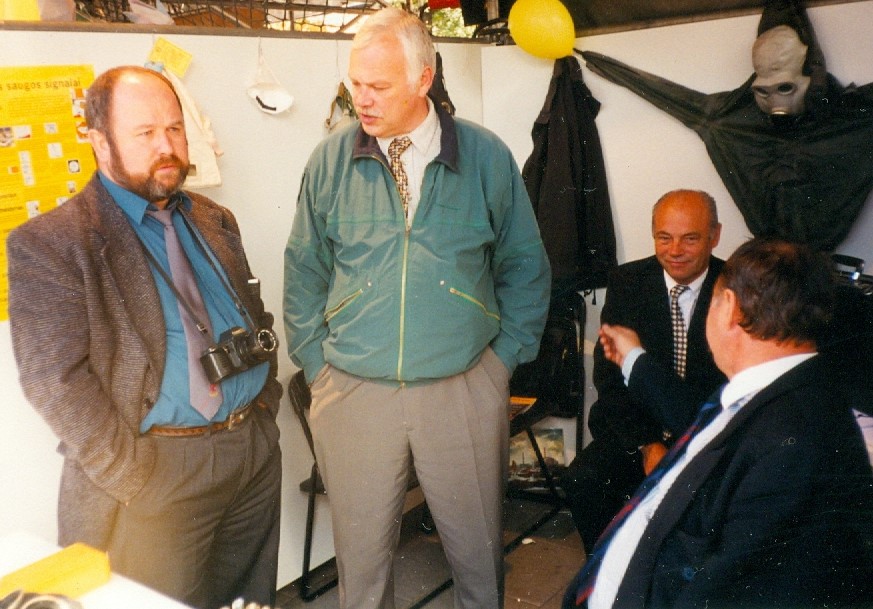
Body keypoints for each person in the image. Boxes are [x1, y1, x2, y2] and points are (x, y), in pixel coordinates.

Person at [282, 7, 550, 609]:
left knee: (478, 563)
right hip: (354, 391)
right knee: (361, 570)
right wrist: (318, 366)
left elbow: (525, 266)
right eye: (356, 83)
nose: (362, 99)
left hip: (462, 387)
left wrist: (499, 365)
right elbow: (303, 269)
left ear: (423, 78)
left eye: (378, 86)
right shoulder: (329, 160)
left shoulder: (485, 156)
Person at [6, 66, 283, 609]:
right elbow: (53, 381)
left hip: (251, 454)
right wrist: (132, 476)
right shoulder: (53, 243)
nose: (167, 147)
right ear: (97, 140)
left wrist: (265, 414)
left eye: (175, 129)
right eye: (145, 133)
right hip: (157, 473)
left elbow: (254, 316)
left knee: (249, 600)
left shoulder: (213, 218)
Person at [563, 237, 873, 609]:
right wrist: (633, 358)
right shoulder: (780, 387)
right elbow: (698, 419)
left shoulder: (793, 447)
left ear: (728, 307)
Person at [561, 189, 726, 552]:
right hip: (638, 431)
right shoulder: (628, 281)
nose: (675, 250)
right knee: (583, 480)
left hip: (708, 435)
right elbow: (609, 378)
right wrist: (647, 444)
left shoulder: (735, 285)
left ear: (715, 236)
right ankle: (609, 573)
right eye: (664, 238)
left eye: (690, 238)